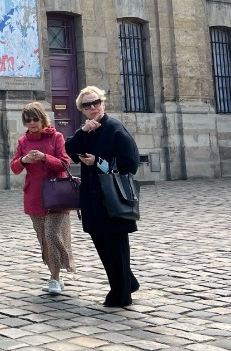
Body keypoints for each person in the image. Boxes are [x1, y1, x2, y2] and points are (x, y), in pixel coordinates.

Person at [64, 86, 140, 308]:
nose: (93, 107)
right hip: (92, 197)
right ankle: (128, 281)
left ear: (103, 102)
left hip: (113, 197)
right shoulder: (87, 130)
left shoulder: (115, 128)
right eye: (87, 105)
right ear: (82, 110)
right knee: (102, 244)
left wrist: (98, 162)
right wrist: (83, 131)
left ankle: (121, 294)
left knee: (115, 245)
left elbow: (130, 164)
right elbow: (69, 151)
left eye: (96, 102)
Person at [10, 102, 75, 295]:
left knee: (52, 234)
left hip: (56, 195)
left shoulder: (56, 137)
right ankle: (55, 274)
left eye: (35, 119)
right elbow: (14, 168)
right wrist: (23, 160)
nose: (32, 123)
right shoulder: (23, 142)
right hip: (34, 196)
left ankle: (54, 279)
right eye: (28, 120)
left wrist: (45, 157)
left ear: (42, 119)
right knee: (43, 239)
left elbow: (65, 164)